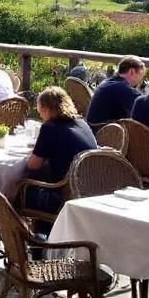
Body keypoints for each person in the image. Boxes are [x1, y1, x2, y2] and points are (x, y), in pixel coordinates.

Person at [23, 86, 97, 218]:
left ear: (45, 109)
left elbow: (32, 165)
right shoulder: (82, 123)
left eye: (40, 111)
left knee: (16, 190)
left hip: (62, 197)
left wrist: (29, 155)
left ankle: (30, 233)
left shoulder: (50, 127)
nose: (40, 115)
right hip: (88, 191)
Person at [86, 55, 146, 126]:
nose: (140, 80)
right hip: (107, 133)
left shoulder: (109, 82)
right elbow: (144, 107)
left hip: (96, 130)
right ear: (132, 71)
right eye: (141, 75)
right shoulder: (121, 88)